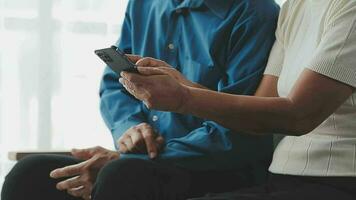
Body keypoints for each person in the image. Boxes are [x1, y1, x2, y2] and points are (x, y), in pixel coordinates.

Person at [1, 0, 279, 200]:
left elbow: (241, 132)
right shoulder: (143, 4)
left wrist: (132, 157)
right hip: (138, 160)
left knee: (122, 175)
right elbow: (115, 83)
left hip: (214, 165)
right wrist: (129, 127)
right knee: (32, 173)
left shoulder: (255, 13)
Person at [118, 0, 356, 199]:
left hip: (338, 180)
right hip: (281, 176)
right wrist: (180, 83)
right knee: (121, 175)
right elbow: (261, 111)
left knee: (122, 174)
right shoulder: (296, 5)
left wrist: (184, 97)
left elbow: (298, 116)